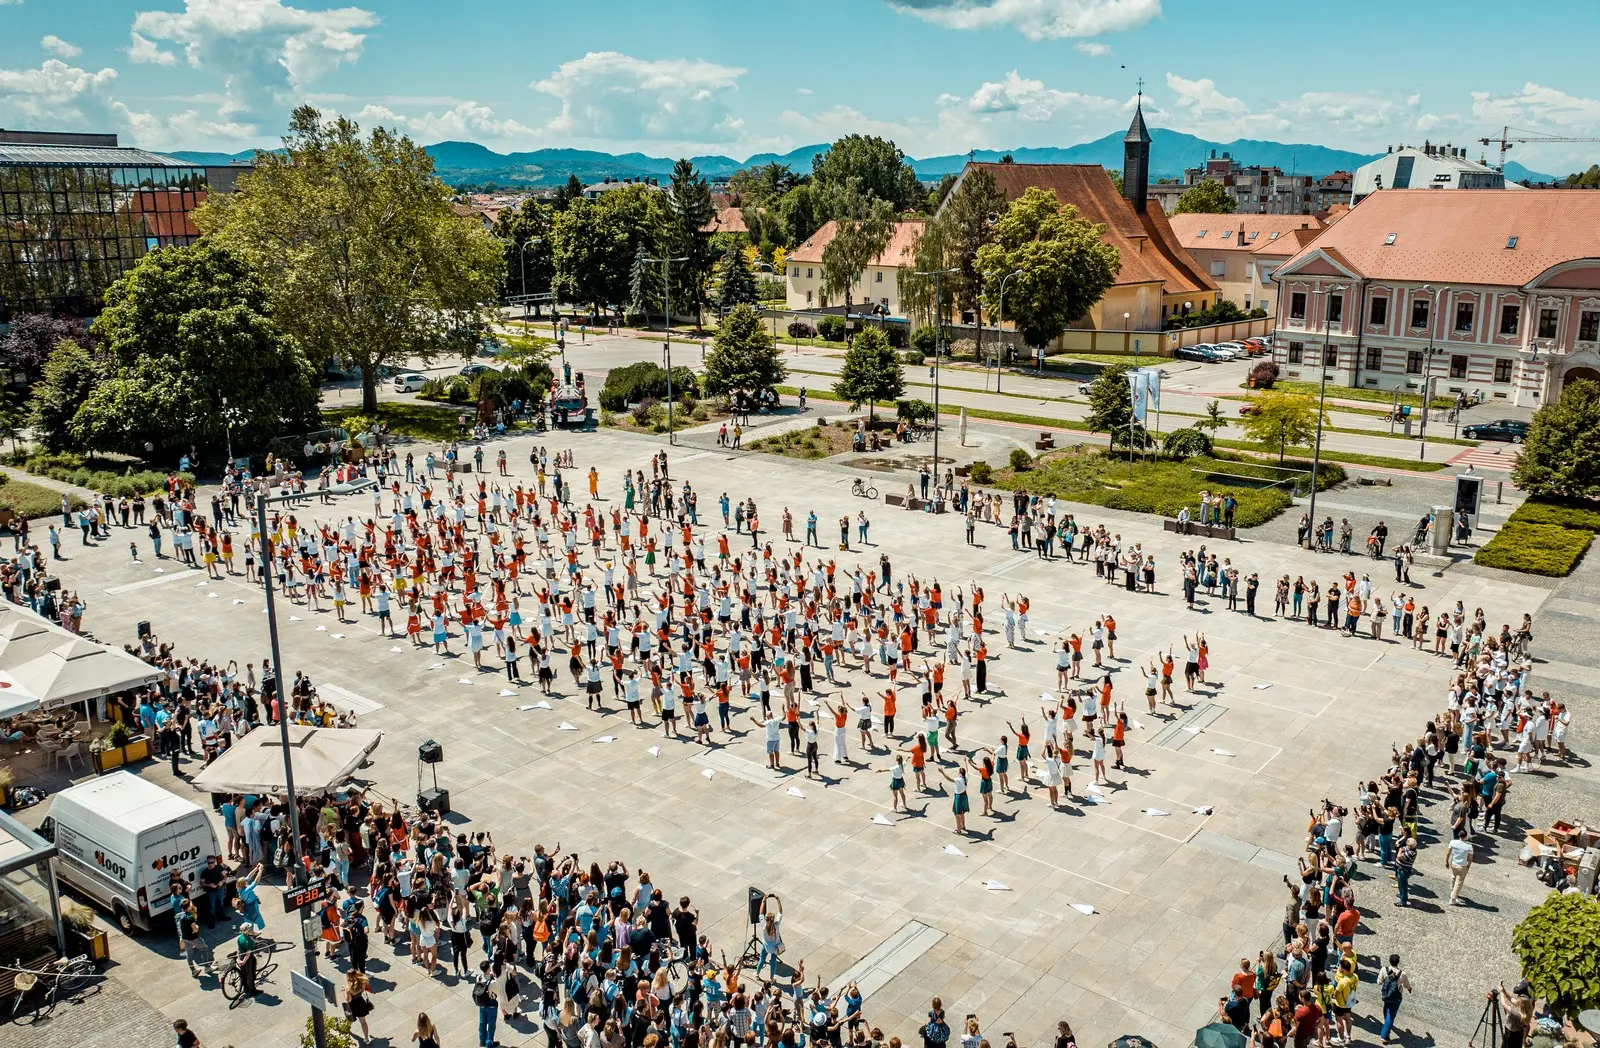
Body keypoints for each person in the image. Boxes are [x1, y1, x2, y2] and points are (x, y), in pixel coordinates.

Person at [1378, 954, 1412, 1044]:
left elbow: (1379, 982)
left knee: (1386, 1010)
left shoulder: (1384, 970)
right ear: (1398, 962)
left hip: (1386, 995)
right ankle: (1384, 1036)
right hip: (1396, 997)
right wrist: (1409, 989)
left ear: (1389, 961)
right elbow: (1406, 985)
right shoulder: (1402, 974)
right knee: (1391, 1015)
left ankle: (1387, 1024)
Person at [474, 960, 499, 1047]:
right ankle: (489, 1043)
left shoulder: (479, 978)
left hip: (482, 1004)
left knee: (482, 1022)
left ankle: (482, 1041)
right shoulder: (493, 982)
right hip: (491, 1005)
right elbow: (497, 993)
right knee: (491, 1024)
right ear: (488, 969)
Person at [1446, 828, 1474, 905]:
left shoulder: (1453, 842)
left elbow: (1448, 853)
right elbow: (1470, 858)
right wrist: (1468, 866)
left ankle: (1452, 890)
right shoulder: (1469, 847)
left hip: (1453, 863)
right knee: (1459, 882)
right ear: (1465, 836)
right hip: (1462, 865)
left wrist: (1447, 862)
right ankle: (1453, 898)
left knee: (1453, 876)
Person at [345, 969, 374, 1041]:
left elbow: (348, 1000)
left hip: (352, 1006)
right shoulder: (362, 983)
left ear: (349, 977)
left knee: (350, 1019)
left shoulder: (349, 989)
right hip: (361, 1003)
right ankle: (367, 1039)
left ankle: (346, 1029)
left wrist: (344, 992)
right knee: (363, 1022)